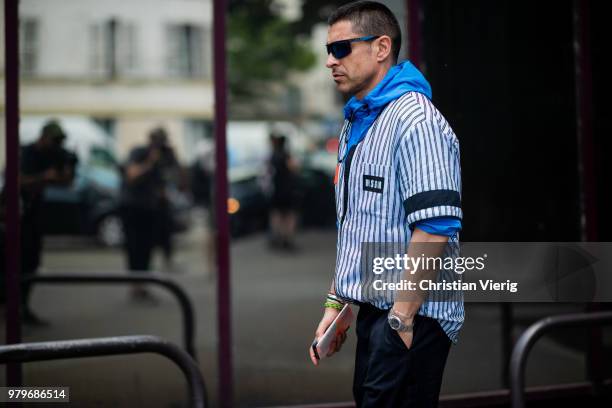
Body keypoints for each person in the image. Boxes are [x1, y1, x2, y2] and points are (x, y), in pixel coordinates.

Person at [309, 2, 464, 407]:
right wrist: (337, 303)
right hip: (379, 313)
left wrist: (401, 320)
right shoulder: (357, 122)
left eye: (341, 48)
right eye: (328, 50)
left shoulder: (417, 121)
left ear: (381, 47)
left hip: (414, 316)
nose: (330, 61)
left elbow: (435, 228)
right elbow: (359, 225)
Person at [19, 120, 78, 324]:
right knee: (13, 262)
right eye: (54, 141)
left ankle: (22, 307)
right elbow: (17, 180)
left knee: (31, 262)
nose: (56, 146)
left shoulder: (53, 155)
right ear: (42, 137)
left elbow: (65, 182)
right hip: (16, 212)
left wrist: (67, 170)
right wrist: (44, 176)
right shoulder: (26, 152)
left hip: (35, 213)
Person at [119, 127, 180, 302]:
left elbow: (171, 180)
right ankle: (135, 286)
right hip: (132, 207)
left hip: (151, 208)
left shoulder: (164, 157)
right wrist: (150, 162)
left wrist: (172, 159)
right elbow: (131, 175)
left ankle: (142, 285)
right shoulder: (139, 152)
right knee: (134, 247)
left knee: (147, 248)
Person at [267, 133, 299, 250]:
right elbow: (294, 169)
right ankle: (287, 239)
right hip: (288, 190)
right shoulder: (286, 156)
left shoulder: (272, 156)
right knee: (289, 215)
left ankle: (277, 237)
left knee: (276, 214)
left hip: (276, 190)